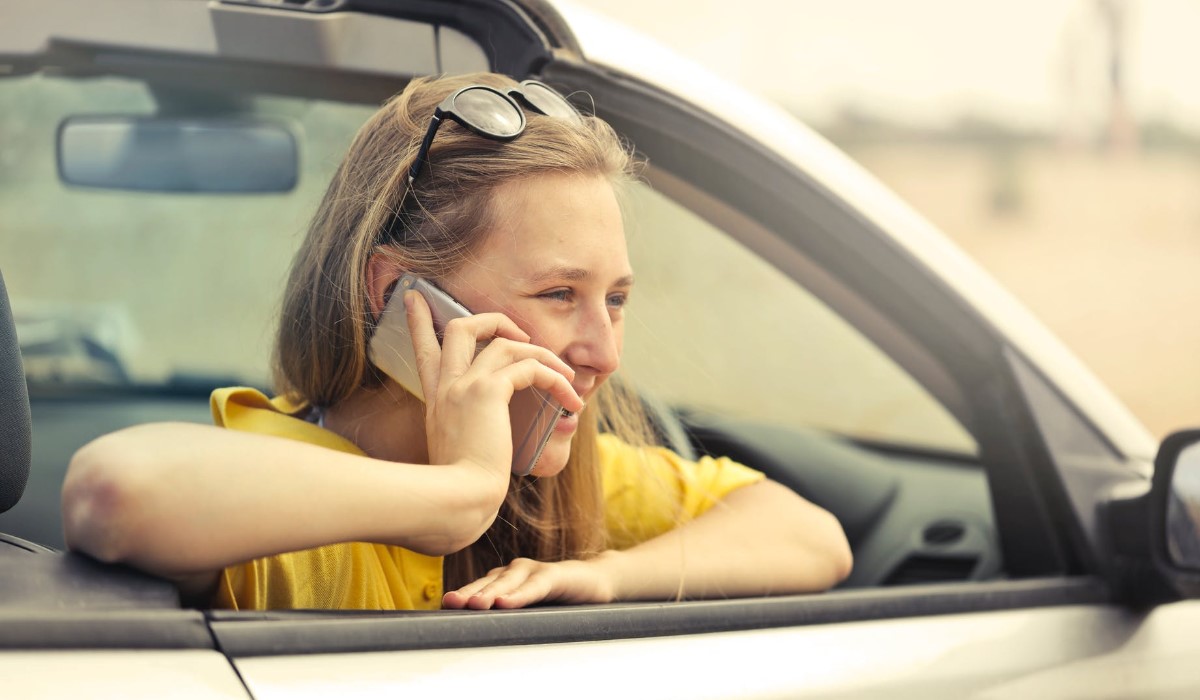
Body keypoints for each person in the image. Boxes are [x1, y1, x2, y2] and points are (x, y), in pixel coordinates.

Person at [61, 72, 852, 611]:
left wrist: (610, 574)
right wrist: (458, 497)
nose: (605, 352)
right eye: (558, 294)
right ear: (397, 295)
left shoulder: (552, 474)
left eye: (614, 299)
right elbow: (114, 494)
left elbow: (812, 537)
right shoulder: (284, 483)